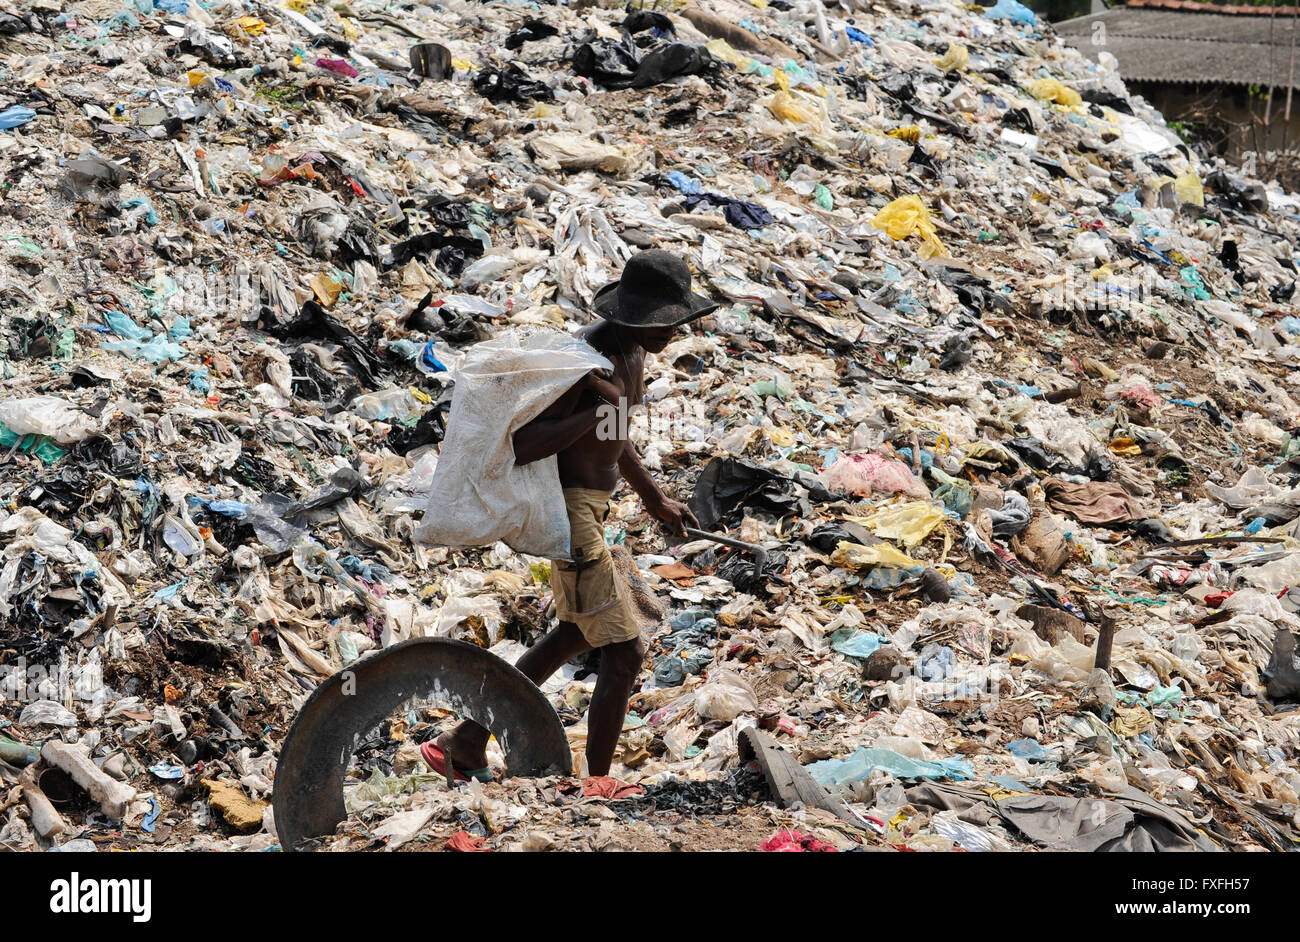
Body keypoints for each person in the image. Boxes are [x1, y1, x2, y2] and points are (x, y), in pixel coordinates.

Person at [422, 249, 715, 783]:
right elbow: (525, 445)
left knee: (573, 636)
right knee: (624, 654)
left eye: (674, 321)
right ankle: (598, 784)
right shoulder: (587, 360)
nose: (671, 332)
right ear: (629, 313)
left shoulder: (633, 351)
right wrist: (591, 409)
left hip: (594, 511)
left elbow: (615, 434)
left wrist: (653, 497)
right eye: (663, 322)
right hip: (572, 514)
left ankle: (465, 741)